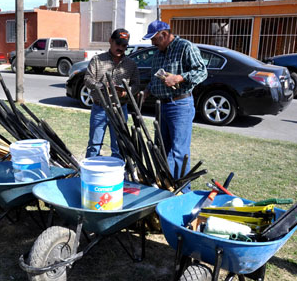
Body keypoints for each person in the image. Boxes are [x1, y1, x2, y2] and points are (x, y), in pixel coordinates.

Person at [142, 20, 207, 192]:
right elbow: (155, 78)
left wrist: (179, 78)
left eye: (154, 39)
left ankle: (183, 189)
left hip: (180, 105)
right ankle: (167, 186)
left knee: (179, 151)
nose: (152, 43)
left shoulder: (185, 47)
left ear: (164, 34)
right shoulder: (157, 54)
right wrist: (147, 91)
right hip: (161, 107)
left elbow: (202, 71)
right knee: (163, 150)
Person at [84, 28, 140, 159]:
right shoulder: (97, 60)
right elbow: (87, 79)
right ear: (110, 41)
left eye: (124, 45)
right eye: (118, 44)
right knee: (94, 144)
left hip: (120, 109)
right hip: (100, 108)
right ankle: (91, 175)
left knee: (119, 145)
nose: (121, 48)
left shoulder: (131, 64)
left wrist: (126, 93)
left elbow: (136, 85)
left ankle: (116, 177)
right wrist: (102, 87)